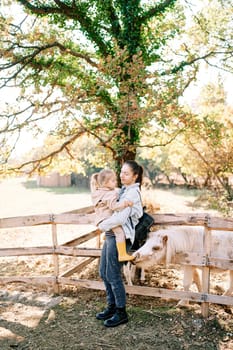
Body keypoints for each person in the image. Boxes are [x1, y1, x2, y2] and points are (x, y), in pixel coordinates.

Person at [95, 160, 143, 327]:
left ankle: (121, 312)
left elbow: (121, 218)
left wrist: (101, 225)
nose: (122, 176)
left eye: (126, 173)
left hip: (119, 237)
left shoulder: (132, 194)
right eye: (121, 172)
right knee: (103, 272)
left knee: (113, 274)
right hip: (111, 235)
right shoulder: (122, 190)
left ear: (135, 176)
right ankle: (111, 306)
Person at [90, 169, 134, 262]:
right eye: (113, 181)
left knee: (114, 231)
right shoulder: (110, 194)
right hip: (107, 219)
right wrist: (125, 204)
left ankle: (107, 235)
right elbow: (114, 206)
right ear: (106, 183)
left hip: (100, 218)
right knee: (120, 232)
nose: (115, 182)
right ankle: (122, 254)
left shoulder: (98, 192)